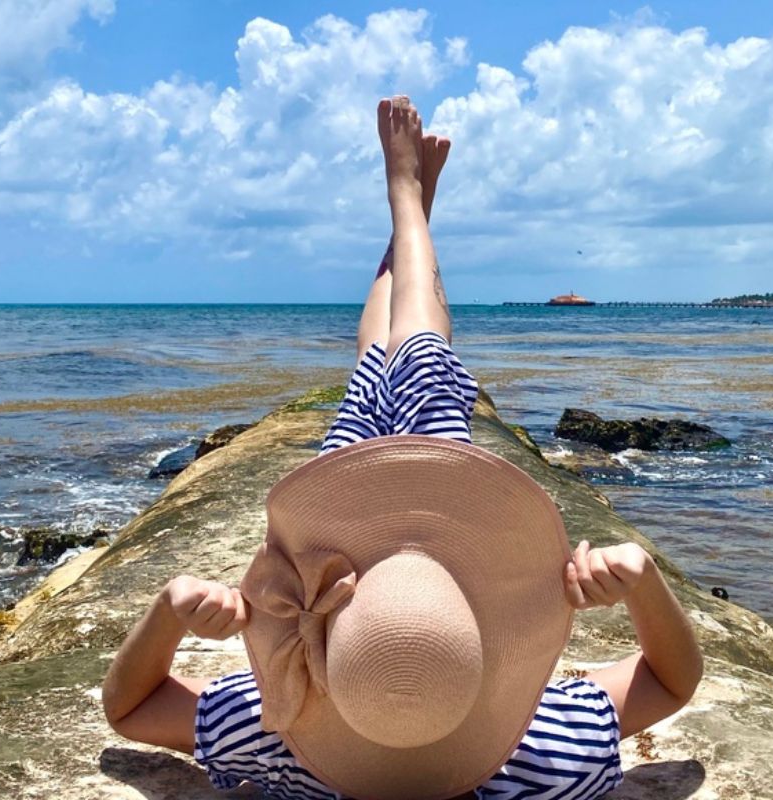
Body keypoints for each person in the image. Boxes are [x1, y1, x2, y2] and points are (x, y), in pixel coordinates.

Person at [102, 97, 703, 800]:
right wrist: (646, 580)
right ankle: (411, 208)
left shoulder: (272, 731)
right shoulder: (540, 758)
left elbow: (129, 706)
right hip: (383, 548)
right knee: (411, 348)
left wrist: (170, 612)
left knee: (388, 353)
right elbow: (673, 678)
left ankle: (408, 207)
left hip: (352, 556)